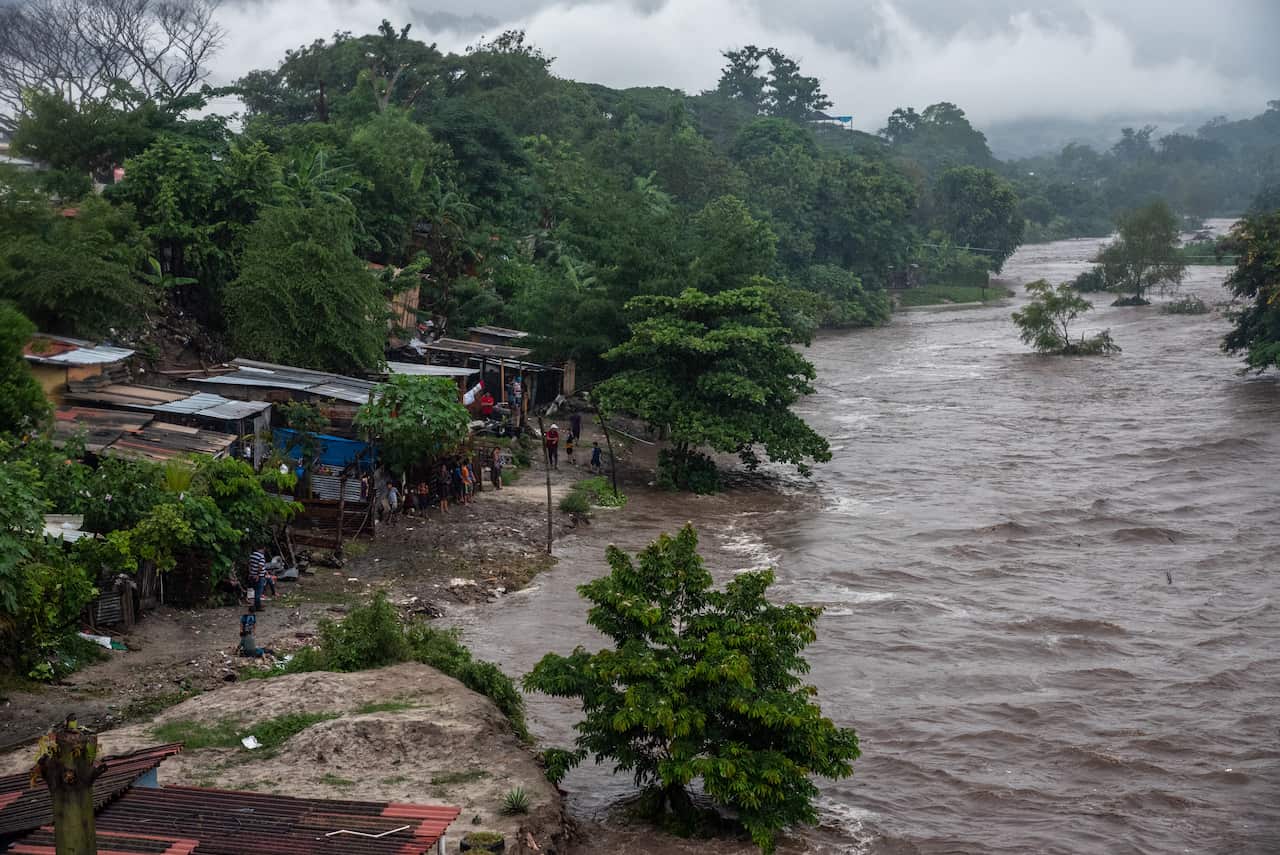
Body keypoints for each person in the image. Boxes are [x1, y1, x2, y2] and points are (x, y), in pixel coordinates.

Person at [247, 545, 267, 612]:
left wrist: (251, 573)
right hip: (259, 576)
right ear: (263, 548)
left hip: (252, 575)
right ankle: (258, 607)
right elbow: (260, 566)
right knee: (258, 591)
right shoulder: (261, 556)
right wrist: (257, 575)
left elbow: (249, 565)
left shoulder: (252, 555)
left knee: (255, 591)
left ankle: (256, 605)